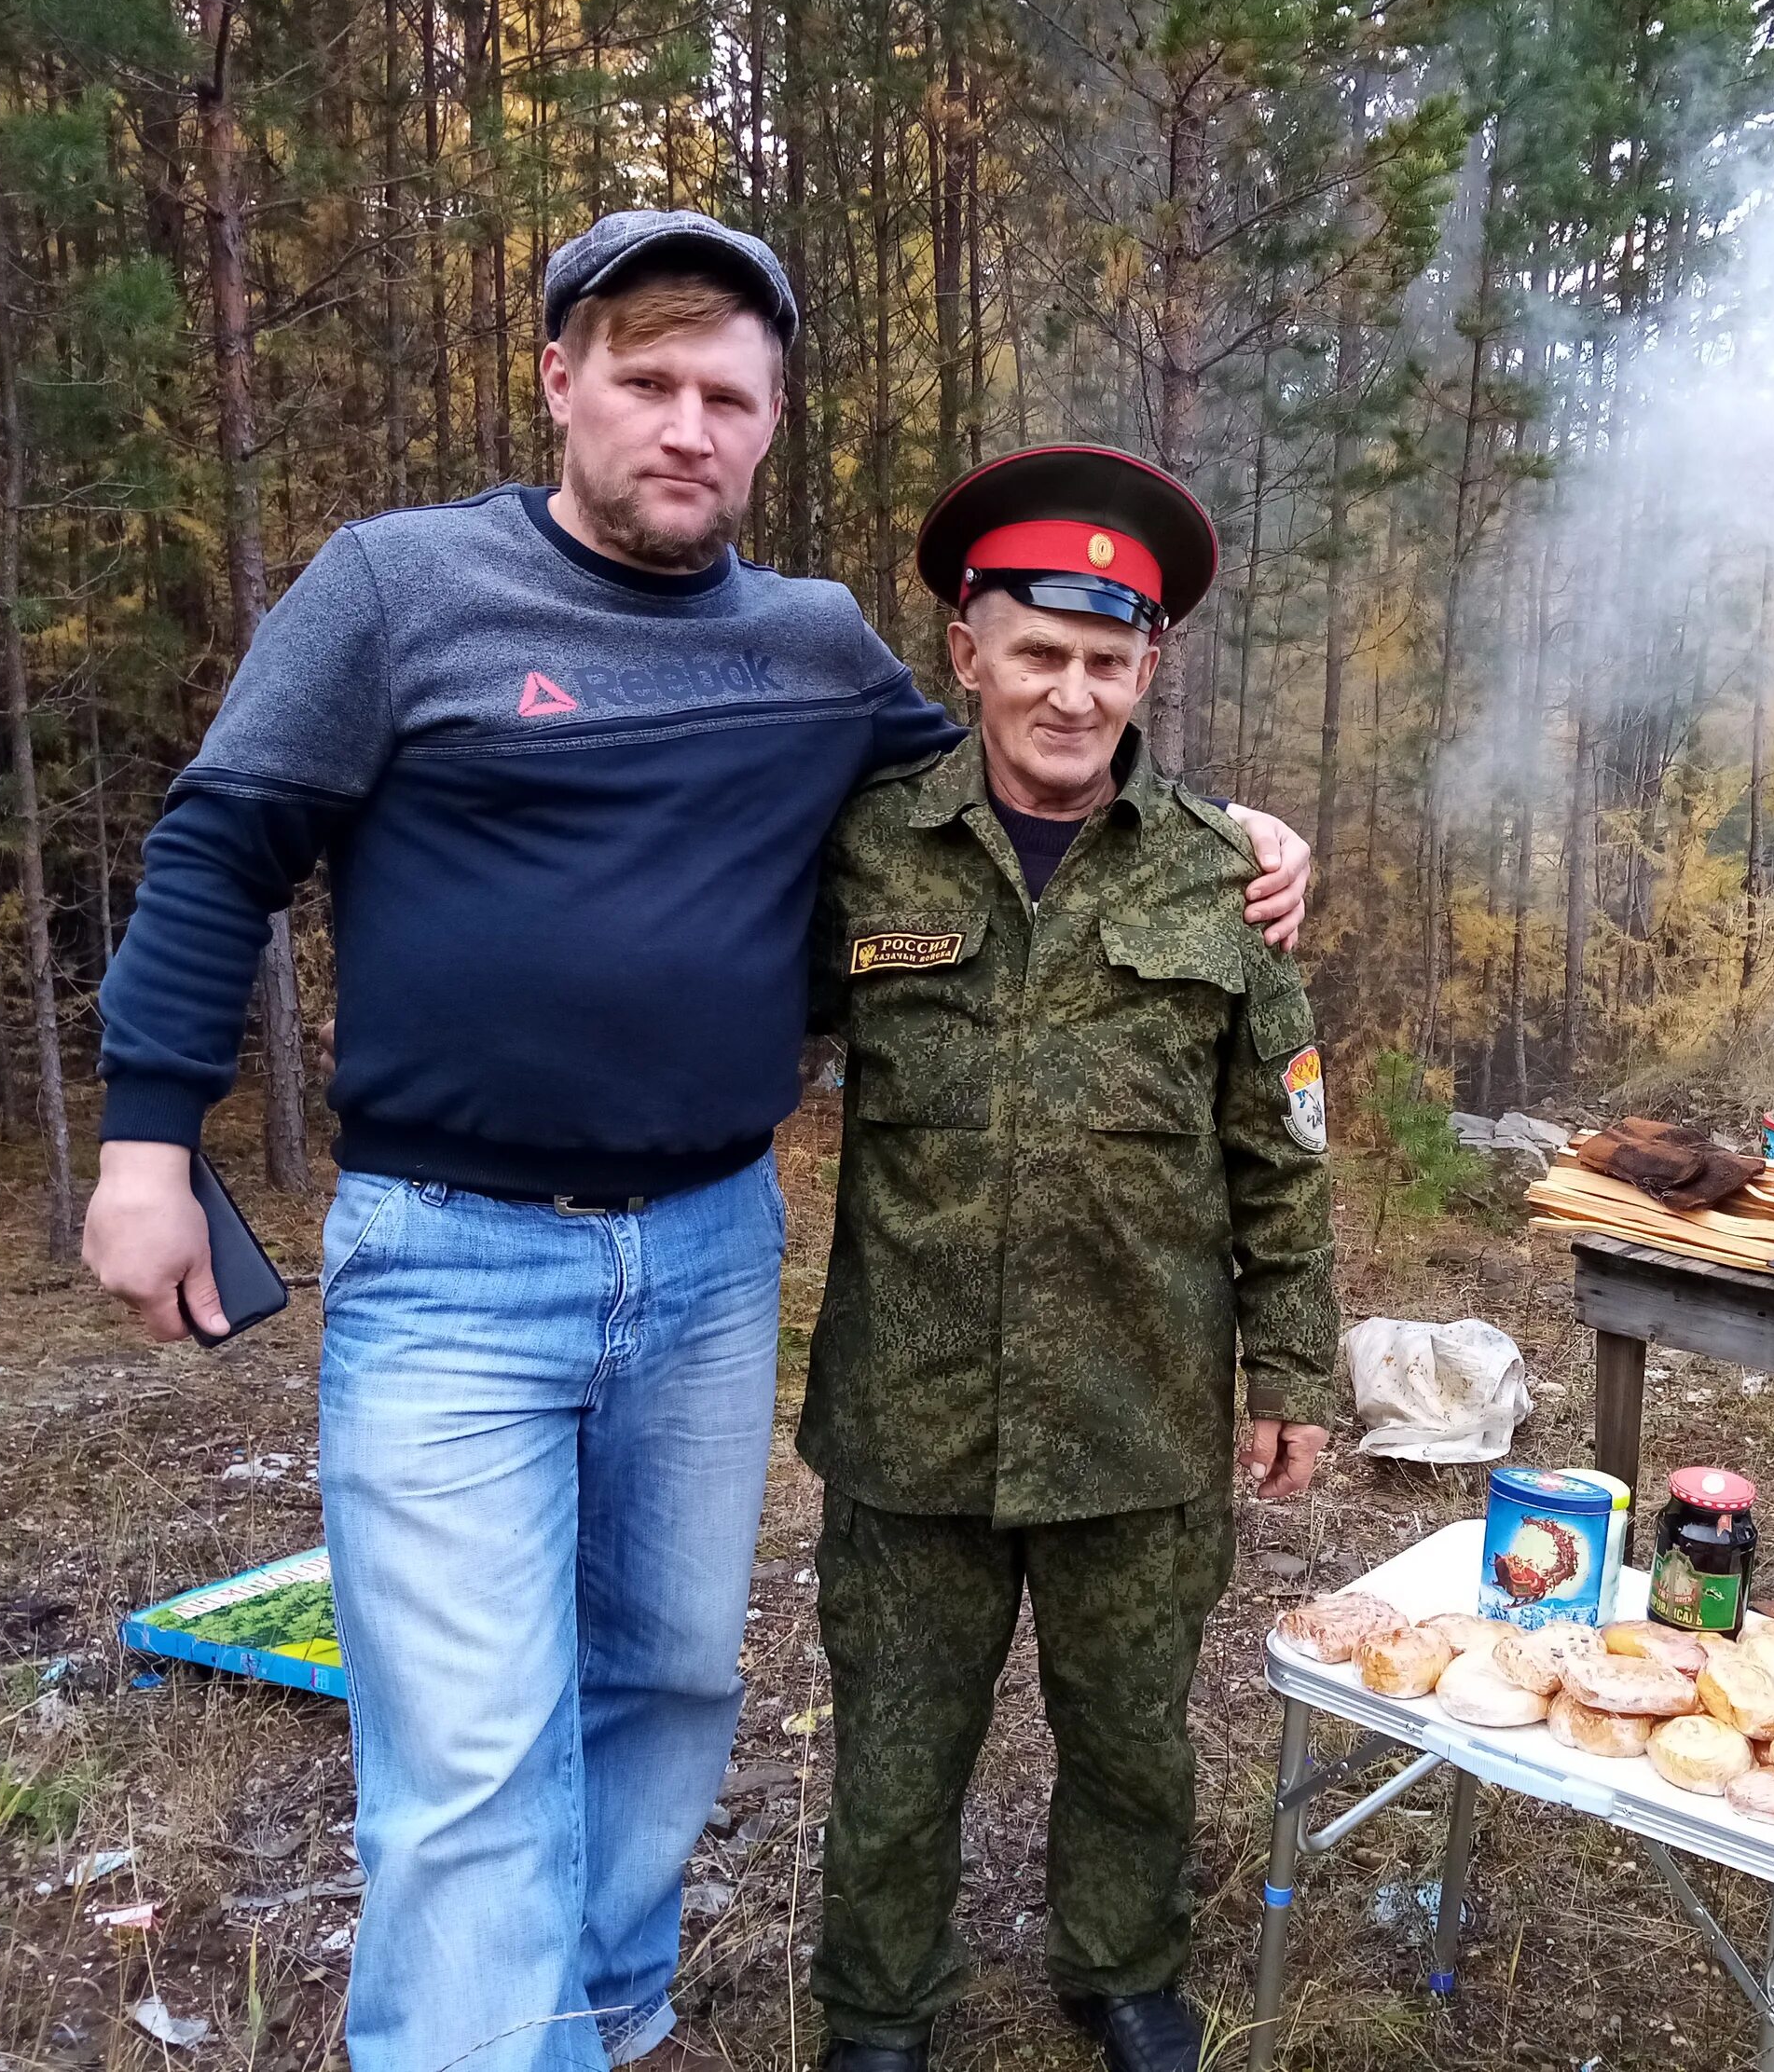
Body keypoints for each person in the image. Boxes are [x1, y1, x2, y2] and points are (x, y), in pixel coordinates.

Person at [81, 212, 1312, 2072]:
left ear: (769, 425)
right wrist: (146, 1141)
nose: (686, 423)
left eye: (726, 395)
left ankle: (604, 2010)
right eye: (645, 379)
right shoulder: (396, 590)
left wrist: (1245, 837)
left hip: (712, 1261)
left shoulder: (812, 647)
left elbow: (1024, 781)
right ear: (561, 380)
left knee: (668, 1684)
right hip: (453, 1256)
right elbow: (218, 840)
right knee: (476, 1750)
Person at [798, 446, 1339, 2072]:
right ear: (967, 650)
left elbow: (1283, 1147)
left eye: (1109, 658)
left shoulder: (1222, 876)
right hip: (913, 1409)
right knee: (896, 1745)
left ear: (1149, 666)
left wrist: (1297, 1364)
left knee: (1130, 1736)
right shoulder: (865, 849)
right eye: (1039, 650)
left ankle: (1124, 1969)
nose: (1072, 691)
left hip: (1140, 1401)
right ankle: (882, 2005)